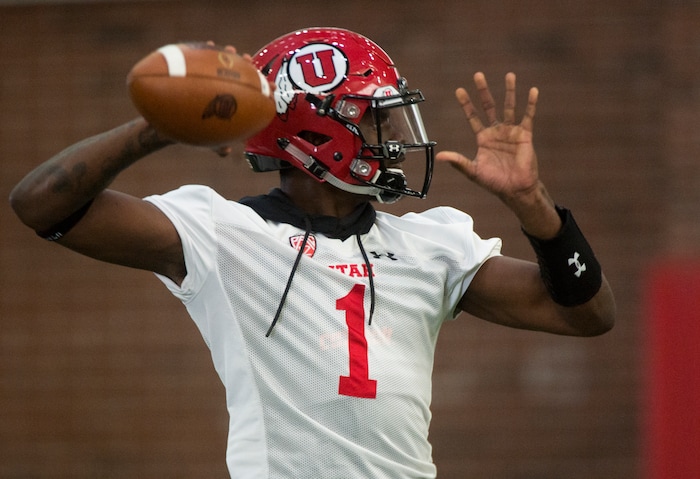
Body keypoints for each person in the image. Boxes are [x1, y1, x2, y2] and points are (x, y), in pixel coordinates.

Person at [9, 27, 615, 479]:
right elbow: (41, 205)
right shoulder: (223, 233)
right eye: (377, 120)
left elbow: (585, 315)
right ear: (319, 133)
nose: (397, 141)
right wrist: (155, 128)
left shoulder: (428, 244)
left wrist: (535, 204)